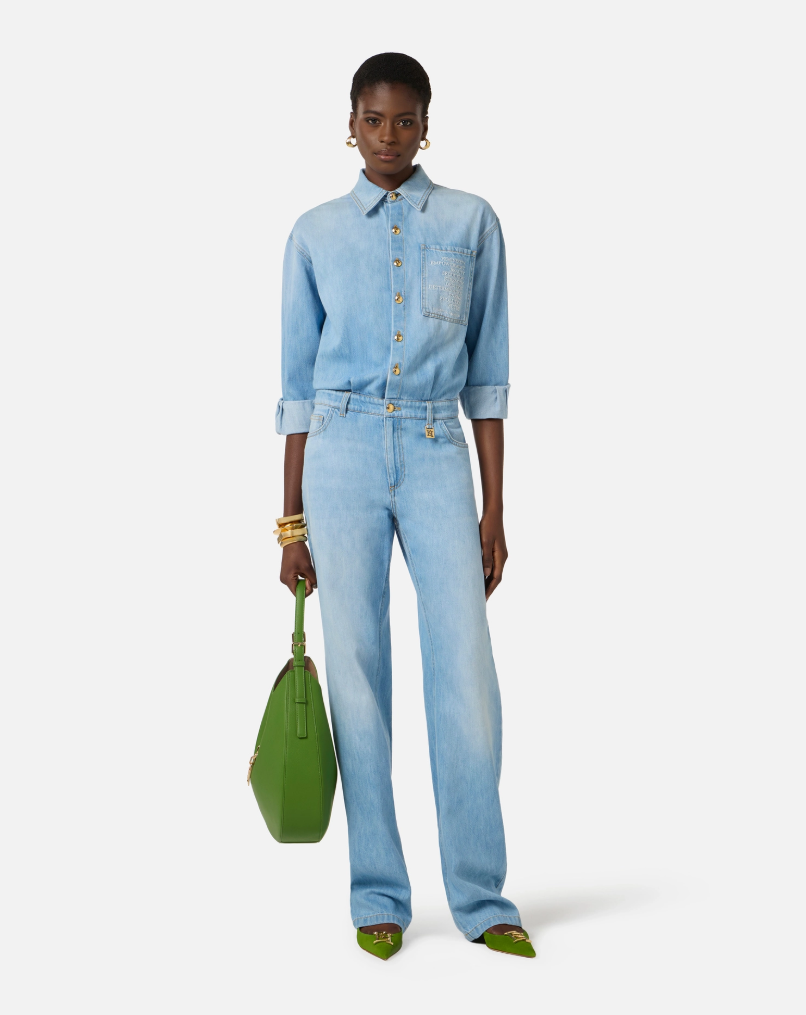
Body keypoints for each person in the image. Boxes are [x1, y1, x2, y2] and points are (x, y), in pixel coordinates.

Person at [274, 52, 533, 960]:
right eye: (373, 120)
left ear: (427, 125)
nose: (389, 136)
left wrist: (494, 509)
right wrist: (290, 524)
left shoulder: (471, 222)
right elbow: (296, 391)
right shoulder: (313, 234)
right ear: (350, 125)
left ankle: (482, 895)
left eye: (406, 120)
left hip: (433, 449)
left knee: (465, 670)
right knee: (357, 674)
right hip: (339, 452)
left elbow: (488, 378)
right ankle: (378, 892)